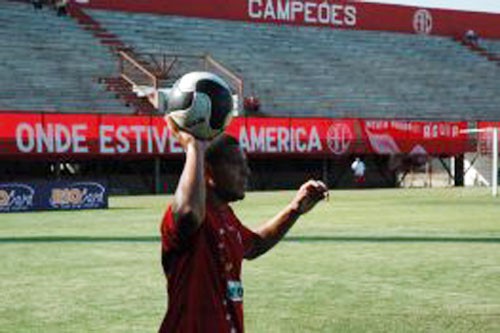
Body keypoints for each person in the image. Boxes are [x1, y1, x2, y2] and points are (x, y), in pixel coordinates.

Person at [159, 115, 329, 333]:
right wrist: (194, 147)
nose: (246, 172)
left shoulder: (226, 216)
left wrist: (294, 210)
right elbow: (188, 211)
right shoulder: (187, 217)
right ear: (208, 171)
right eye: (237, 165)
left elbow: (254, 245)